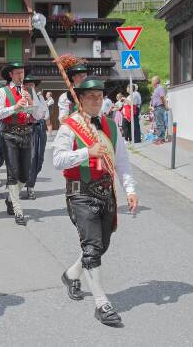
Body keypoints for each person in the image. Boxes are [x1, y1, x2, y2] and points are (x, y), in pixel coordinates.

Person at [52, 77, 138, 326]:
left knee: (101, 246)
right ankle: (102, 303)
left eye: (99, 96)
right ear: (79, 99)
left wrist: (130, 189)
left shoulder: (111, 126)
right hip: (80, 192)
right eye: (90, 96)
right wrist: (85, 152)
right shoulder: (69, 126)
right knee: (91, 247)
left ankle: (71, 275)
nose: (96, 100)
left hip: (105, 192)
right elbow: (57, 160)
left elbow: (121, 162)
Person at [0, 62, 46, 225]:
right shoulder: (3, 91)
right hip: (9, 134)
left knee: (25, 174)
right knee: (13, 172)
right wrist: (15, 107)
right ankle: (18, 210)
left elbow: (38, 116)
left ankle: (10, 198)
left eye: (22, 73)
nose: (20, 76)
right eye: (17, 73)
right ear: (10, 75)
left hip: (27, 133)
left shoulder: (29, 90)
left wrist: (32, 103)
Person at [22, 75, 47, 200]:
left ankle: (30, 182)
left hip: (39, 129)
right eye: (27, 84)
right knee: (29, 158)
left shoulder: (38, 97)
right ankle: (28, 186)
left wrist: (37, 97)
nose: (30, 86)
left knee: (39, 158)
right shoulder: (21, 97)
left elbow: (45, 114)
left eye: (32, 84)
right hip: (26, 128)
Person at [150, 76, 167, 144]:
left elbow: (162, 97)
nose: (151, 82)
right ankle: (159, 137)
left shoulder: (160, 88)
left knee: (160, 123)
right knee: (158, 123)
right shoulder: (156, 89)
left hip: (160, 107)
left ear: (156, 81)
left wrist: (165, 106)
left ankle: (161, 138)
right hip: (156, 107)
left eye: (152, 81)